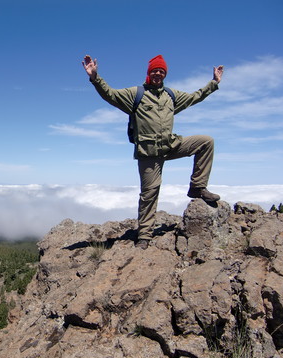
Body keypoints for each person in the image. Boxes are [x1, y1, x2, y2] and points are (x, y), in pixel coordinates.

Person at [82, 54, 224, 250]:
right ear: (149, 73)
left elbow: (194, 97)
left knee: (206, 142)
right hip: (149, 153)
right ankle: (144, 236)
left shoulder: (171, 96)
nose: (158, 73)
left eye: (161, 71)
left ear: (165, 74)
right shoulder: (136, 94)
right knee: (149, 193)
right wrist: (95, 78)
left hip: (171, 145)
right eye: (155, 71)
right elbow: (111, 95)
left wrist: (213, 83)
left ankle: (198, 187)